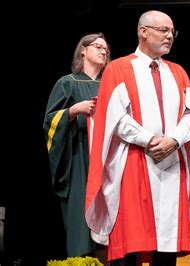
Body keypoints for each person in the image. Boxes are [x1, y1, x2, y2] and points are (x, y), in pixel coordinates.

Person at [84, 10, 190, 266]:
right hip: (135, 162)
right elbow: (115, 117)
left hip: (171, 165)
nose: (170, 36)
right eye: (164, 30)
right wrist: (149, 140)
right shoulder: (119, 68)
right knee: (131, 242)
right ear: (143, 31)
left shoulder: (178, 72)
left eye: (172, 32)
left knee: (166, 248)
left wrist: (173, 141)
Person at [43, 32, 110, 258]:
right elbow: (49, 122)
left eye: (105, 48)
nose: (103, 50)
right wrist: (73, 111)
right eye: (97, 46)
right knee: (81, 221)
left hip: (109, 161)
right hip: (79, 159)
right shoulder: (67, 83)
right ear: (83, 50)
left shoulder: (112, 85)